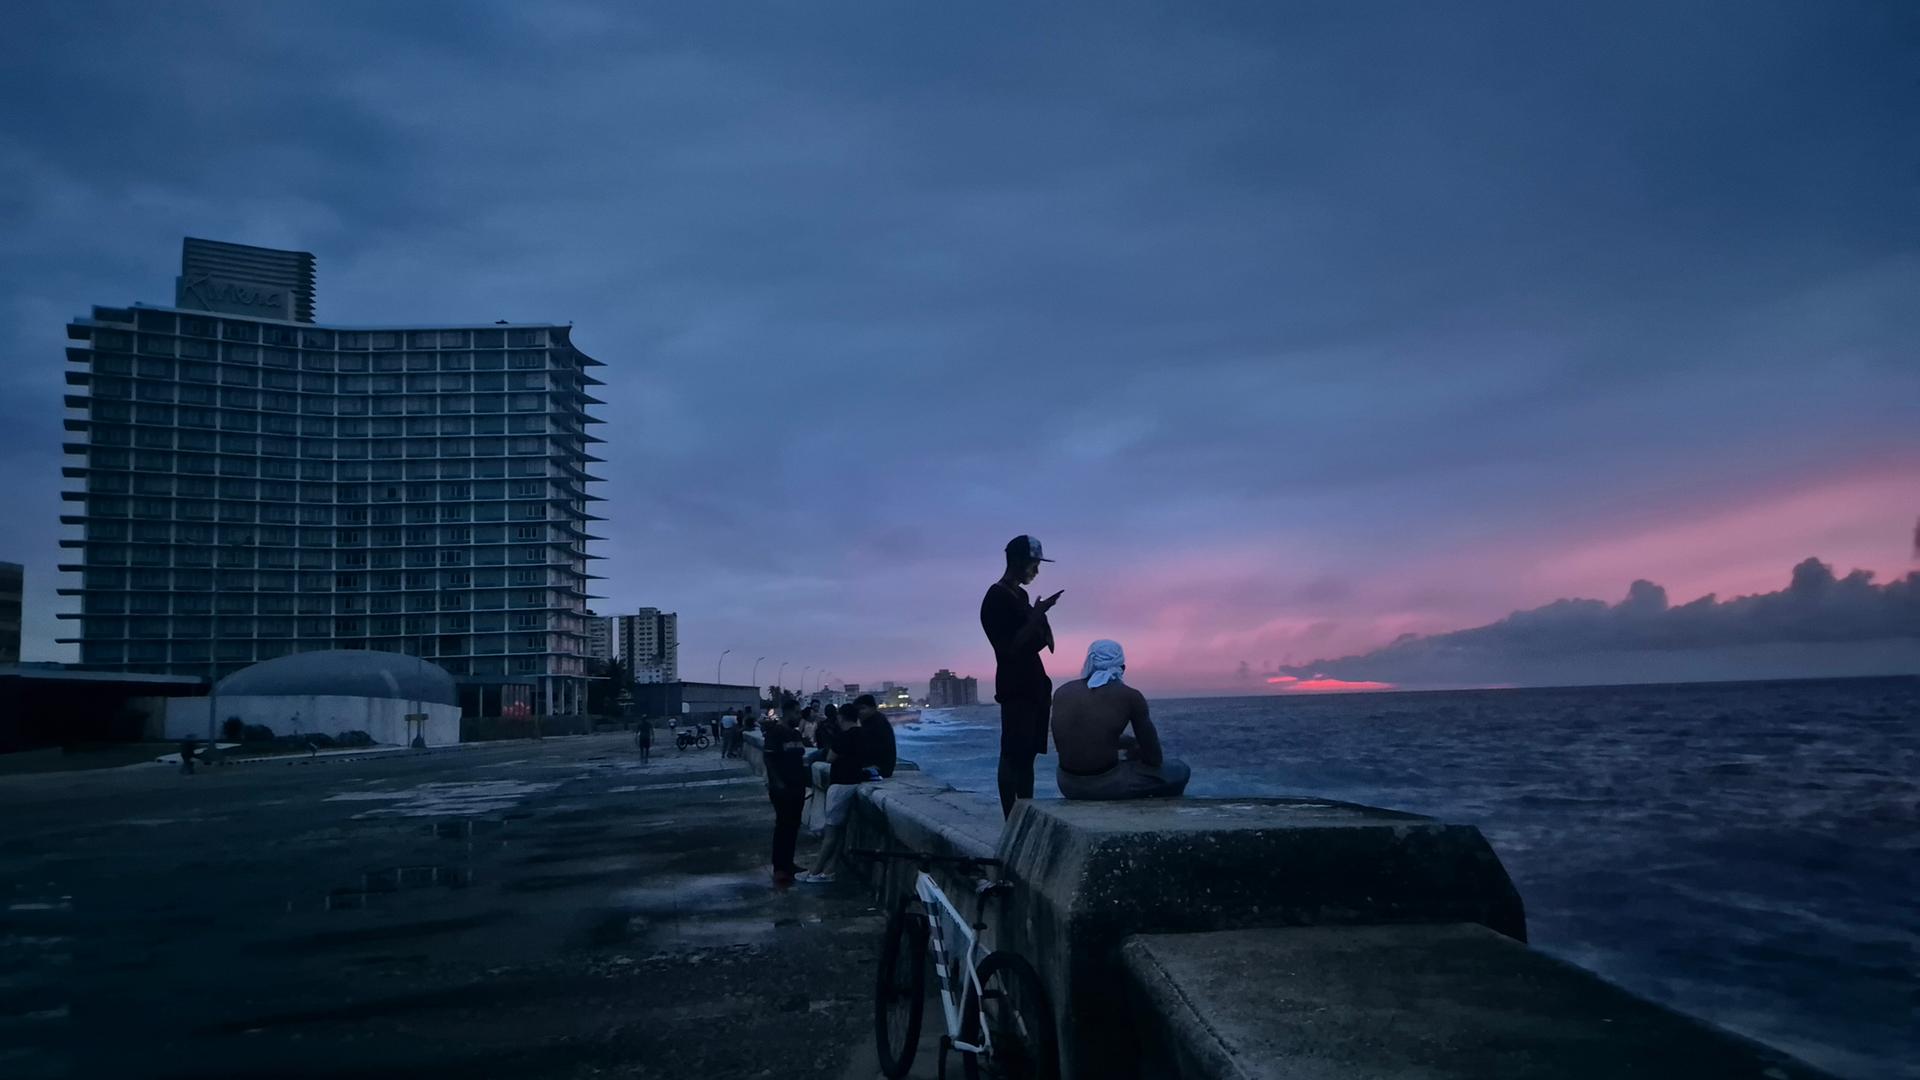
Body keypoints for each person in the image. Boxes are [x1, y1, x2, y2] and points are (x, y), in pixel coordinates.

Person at [980, 534, 1061, 817]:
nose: (1036, 571)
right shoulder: (995, 598)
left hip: (1034, 684)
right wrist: (1037, 615)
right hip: (1015, 685)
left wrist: (1040, 616)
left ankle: (1025, 814)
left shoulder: (1021, 596)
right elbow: (1009, 647)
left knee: (1027, 756)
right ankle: (1010, 818)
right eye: (1032, 565)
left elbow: (1033, 640)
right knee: (1012, 753)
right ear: (1016, 562)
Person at [1051, 639, 1190, 800]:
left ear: (1089, 662)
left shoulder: (1062, 692)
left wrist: (1126, 742)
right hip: (1104, 785)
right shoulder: (1131, 696)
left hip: (1066, 783)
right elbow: (1154, 758)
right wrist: (1136, 748)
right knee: (1180, 770)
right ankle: (1156, 816)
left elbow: (1076, 741)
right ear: (1122, 668)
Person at [796, 700, 870, 885]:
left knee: (830, 833)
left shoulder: (843, 737)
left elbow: (830, 758)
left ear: (841, 717)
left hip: (840, 785)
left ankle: (815, 871)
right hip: (855, 782)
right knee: (840, 832)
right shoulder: (863, 734)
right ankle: (829, 870)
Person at [762, 710, 810, 884]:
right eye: (796, 712)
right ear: (789, 713)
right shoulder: (775, 733)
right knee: (783, 825)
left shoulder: (796, 734)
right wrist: (777, 783)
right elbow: (768, 759)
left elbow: (801, 758)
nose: (799, 716)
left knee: (793, 826)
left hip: (798, 786)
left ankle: (789, 863)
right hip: (782, 788)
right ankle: (779, 867)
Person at [852, 693, 897, 779]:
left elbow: (868, 748)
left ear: (873, 708)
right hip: (880, 766)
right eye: (857, 709)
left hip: (880, 769)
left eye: (862, 708)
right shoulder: (873, 720)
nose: (859, 712)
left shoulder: (876, 723)